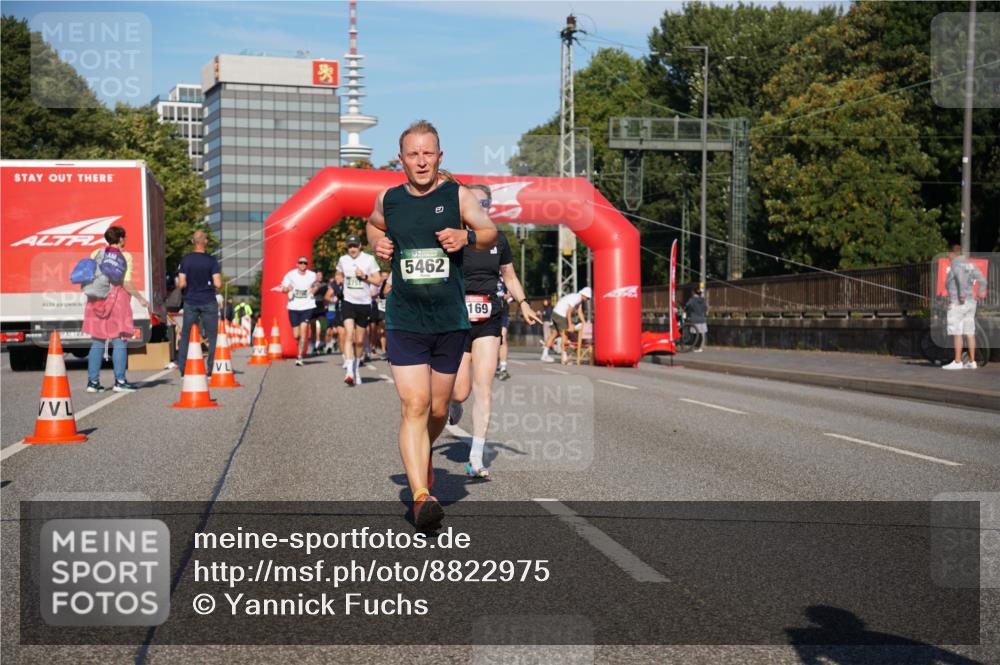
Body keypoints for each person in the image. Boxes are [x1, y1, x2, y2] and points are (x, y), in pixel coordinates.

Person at [367, 119, 497, 529]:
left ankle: (421, 453)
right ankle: (421, 496)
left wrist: (466, 238)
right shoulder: (389, 199)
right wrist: (377, 243)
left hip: (449, 320)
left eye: (428, 153)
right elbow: (373, 224)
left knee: (439, 408)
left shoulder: (457, 195)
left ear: (440, 157)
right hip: (405, 318)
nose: (421, 161)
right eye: (413, 154)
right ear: (401, 159)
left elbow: (489, 231)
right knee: (415, 404)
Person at [447, 184, 540, 478]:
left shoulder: (498, 239)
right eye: (474, 202)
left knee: (483, 387)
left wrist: (524, 303)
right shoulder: (452, 237)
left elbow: (509, 276)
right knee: (460, 391)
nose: (479, 207)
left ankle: (476, 458)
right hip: (457, 318)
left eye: (484, 203)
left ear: (490, 205)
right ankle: (453, 404)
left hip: (488, 318)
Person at [83, 225, 150, 392]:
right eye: (124, 237)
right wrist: (140, 298)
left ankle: (93, 383)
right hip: (117, 300)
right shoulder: (125, 256)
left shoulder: (96, 253)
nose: (125, 240)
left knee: (97, 341)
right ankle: (120, 381)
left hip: (96, 300)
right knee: (119, 340)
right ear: (120, 239)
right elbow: (125, 282)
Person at [336, 235, 382, 385]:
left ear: (360, 246)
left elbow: (378, 280)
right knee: (349, 335)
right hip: (348, 301)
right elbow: (338, 272)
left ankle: (356, 369)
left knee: (360, 341)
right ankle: (349, 371)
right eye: (350, 246)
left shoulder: (369, 259)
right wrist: (339, 278)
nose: (352, 249)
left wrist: (364, 276)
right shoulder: (343, 259)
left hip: (364, 303)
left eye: (355, 246)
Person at [177, 230, 222, 377]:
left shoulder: (186, 260)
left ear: (192, 242)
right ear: (206, 242)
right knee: (212, 336)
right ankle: (211, 368)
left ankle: (183, 368)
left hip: (190, 301)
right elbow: (218, 283)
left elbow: (182, 283)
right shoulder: (212, 260)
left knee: (186, 334)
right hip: (208, 300)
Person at [943, 244, 988, 370]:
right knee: (969, 332)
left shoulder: (956, 264)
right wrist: (980, 293)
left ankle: (957, 362)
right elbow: (983, 280)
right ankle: (972, 361)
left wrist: (962, 295)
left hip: (958, 303)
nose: (948, 257)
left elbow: (960, 279)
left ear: (952, 253)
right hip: (971, 302)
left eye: (948, 254)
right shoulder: (970, 264)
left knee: (957, 332)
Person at [280, 255, 318, 366]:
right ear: (297, 264)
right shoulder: (290, 275)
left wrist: (315, 288)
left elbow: (317, 283)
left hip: (307, 306)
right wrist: (287, 289)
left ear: (307, 265)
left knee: (303, 330)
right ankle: (300, 346)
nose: (303, 265)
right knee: (296, 335)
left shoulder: (312, 275)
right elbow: (283, 289)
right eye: (301, 262)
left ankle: (300, 357)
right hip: (293, 307)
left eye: (305, 263)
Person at [541, 286, 592, 363]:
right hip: (561, 315)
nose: (587, 300)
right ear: (584, 295)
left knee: (554, 334)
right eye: (587, 298)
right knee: (564, 335)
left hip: (555, 313)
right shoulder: (577, 298)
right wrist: (570, 324)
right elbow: (568, 311)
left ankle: (544, 355)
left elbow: (580, 312)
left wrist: (585, 324)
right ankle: (564, 358)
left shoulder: (578, 299)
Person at [684, 288, 708, 352]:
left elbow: (687, 306)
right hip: (702, 319)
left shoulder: (692, 300)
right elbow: (705, 308)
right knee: (700, 334)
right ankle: (699, 348)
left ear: (693, 292)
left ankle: (695, 347)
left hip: (695, 319)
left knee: (695, 334)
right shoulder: (703, 300)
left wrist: (687, 312)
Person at [311, 270, 329, 355]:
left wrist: (327, 304)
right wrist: (315, 287)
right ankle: (314, 346)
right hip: (312, 306)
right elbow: (310, 294)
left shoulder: (325, 285)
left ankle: (321, 344)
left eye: (321, 275)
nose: (320, 277)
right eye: (318, 275)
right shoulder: (311, 284)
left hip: (321, 306)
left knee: (323, 326)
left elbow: (328, 295)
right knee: (313, 327)